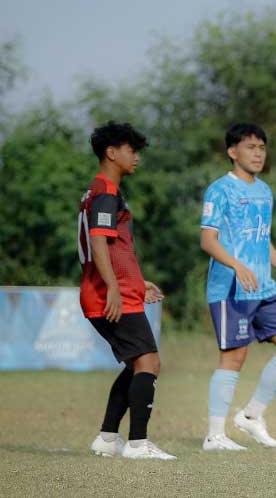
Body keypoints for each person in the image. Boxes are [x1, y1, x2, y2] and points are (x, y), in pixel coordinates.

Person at [200, 123, 276, 451]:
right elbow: (208, 240)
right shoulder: (220, 190)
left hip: (264, 287)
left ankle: (250, 415)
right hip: (231, 287)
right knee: (234, 357)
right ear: (233, 152)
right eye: (251, 147)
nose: (258, 153)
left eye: (262, 147)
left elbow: (262, 240)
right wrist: (237, 265)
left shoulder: (264, 191)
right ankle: (215, 436)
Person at [80, 121, 175, 460]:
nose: (136, 157)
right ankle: (137, 443)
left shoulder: (100, 191)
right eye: (131, 150)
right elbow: (98, 242)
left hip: (115, 288)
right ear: (111, 152)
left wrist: (136, 282)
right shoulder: (105, 191)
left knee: (138, 363)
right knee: (149, 360)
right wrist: (114, 289)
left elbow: (115, 248)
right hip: (108, 293)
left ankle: (108, 439)